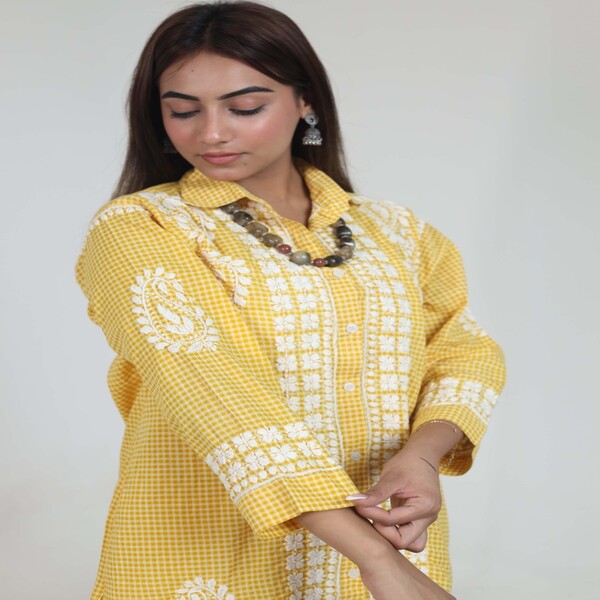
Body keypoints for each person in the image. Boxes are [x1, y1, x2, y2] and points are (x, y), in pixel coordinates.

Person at [74, 2, 506, 599]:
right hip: (215, 556)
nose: (211, 133)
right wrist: (379, 561)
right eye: (183, 110)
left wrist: (423, 458)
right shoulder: (143, 227)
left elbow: (462, 352)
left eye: (245, 107)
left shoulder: (397, 233)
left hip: (391, 543)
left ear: (306, 101)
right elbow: (215, 389)